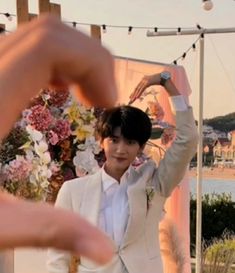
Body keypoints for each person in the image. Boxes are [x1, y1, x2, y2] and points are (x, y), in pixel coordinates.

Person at [47, 72, 198, 273]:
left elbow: (188, 140)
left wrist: (166, 83)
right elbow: (58, 254)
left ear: (141, 147)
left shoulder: (153, 183)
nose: (121, 149)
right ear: (101, 141)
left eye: (130, 142)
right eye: (114, 140)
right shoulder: (73, 191)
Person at [0, 14, 118, 265]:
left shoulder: (147, 179)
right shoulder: (74, 187)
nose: (120, 148)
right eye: (114, 140)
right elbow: (57, 259)